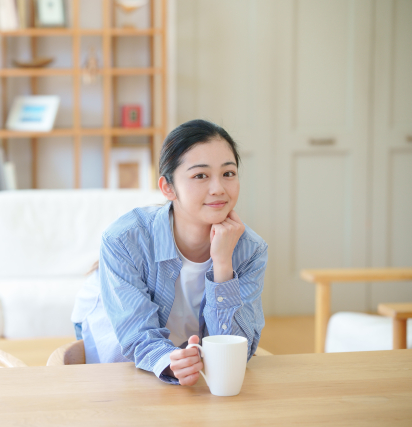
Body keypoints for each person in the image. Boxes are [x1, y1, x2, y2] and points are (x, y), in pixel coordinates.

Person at [71, 119, 267, 386]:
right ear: (167, 187)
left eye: (228, 173)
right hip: (117, 330)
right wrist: (169, 360)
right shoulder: (123, 239)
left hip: (184, 344)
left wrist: (223, 264)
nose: (219, 188)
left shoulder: (250, 249)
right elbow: (135, 335)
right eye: (200, 175)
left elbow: (236, 352)